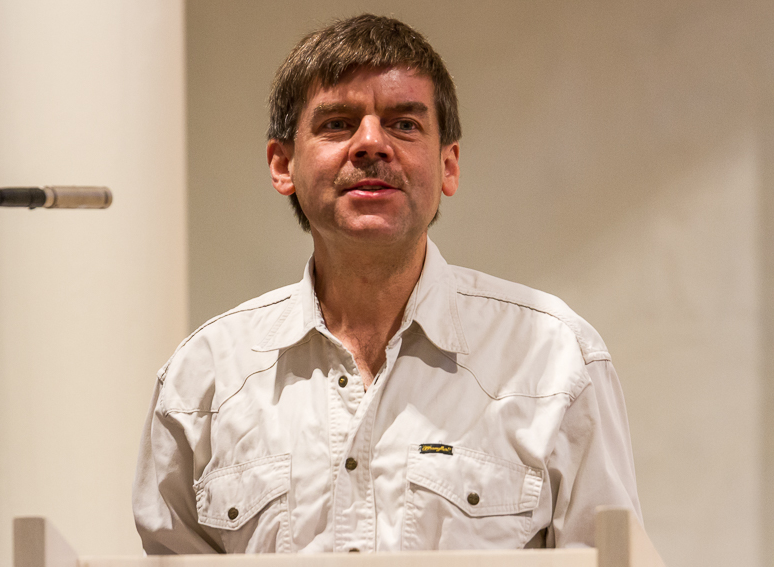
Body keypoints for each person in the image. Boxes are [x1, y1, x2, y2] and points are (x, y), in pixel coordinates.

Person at [132, 14, 641, 554]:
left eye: (404, 124)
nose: (371, 143)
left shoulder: (555, 360)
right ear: (283, 165)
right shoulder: (202, 380)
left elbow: (613, 560)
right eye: (337, 123)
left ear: (448, 165)